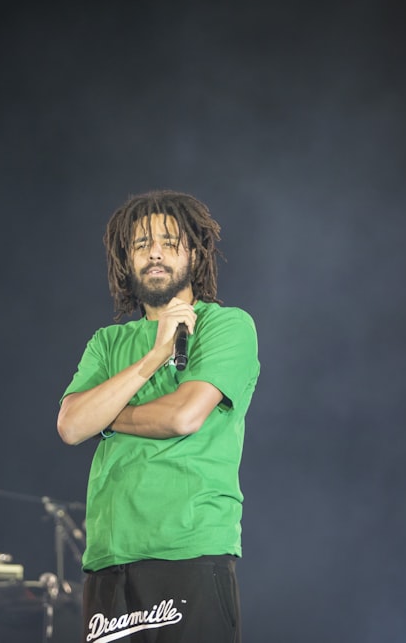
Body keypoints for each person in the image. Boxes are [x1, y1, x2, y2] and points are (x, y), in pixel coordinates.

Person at [57, 190, 260, 643]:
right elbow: (71, 425)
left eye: (170, 242)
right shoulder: (106, 343)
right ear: (124, 258)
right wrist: (154, 357)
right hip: (109, 559)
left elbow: (185, 416)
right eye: (141, 243)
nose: (155, 253)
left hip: (190, 551)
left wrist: (107, 416)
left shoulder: (227, 326)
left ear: (194, 252)